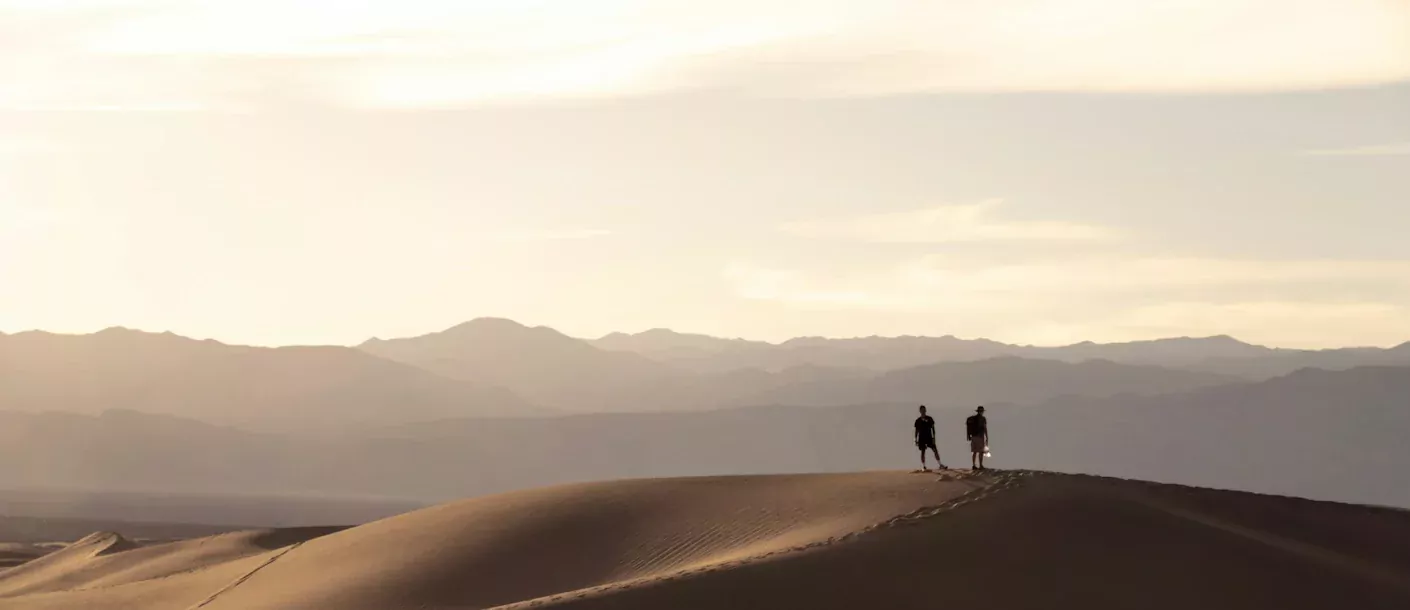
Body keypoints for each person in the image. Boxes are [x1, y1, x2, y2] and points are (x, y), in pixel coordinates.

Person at [914, 405, 945, 470]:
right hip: (922, 438)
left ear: (925, 410)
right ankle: (924, 466)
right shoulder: (918, 421)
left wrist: (934, 438)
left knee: (935, 450)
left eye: (924, 410)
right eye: (922, 410)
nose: (923, 411)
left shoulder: (930, 419)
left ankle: (940, 464)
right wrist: (915, 439)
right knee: (923, 452)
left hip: (929, 437)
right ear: (920, 411)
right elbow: (916, 431)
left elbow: (933, 429)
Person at [966, 406, 989, 470]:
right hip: (980, 436)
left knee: (974, 451)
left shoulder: (973, 419)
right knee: (981, 452)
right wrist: (987, 437)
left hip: (973, 437)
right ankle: (980, 465)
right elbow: (984, 428)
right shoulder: (983, 419)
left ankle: (973, 465)